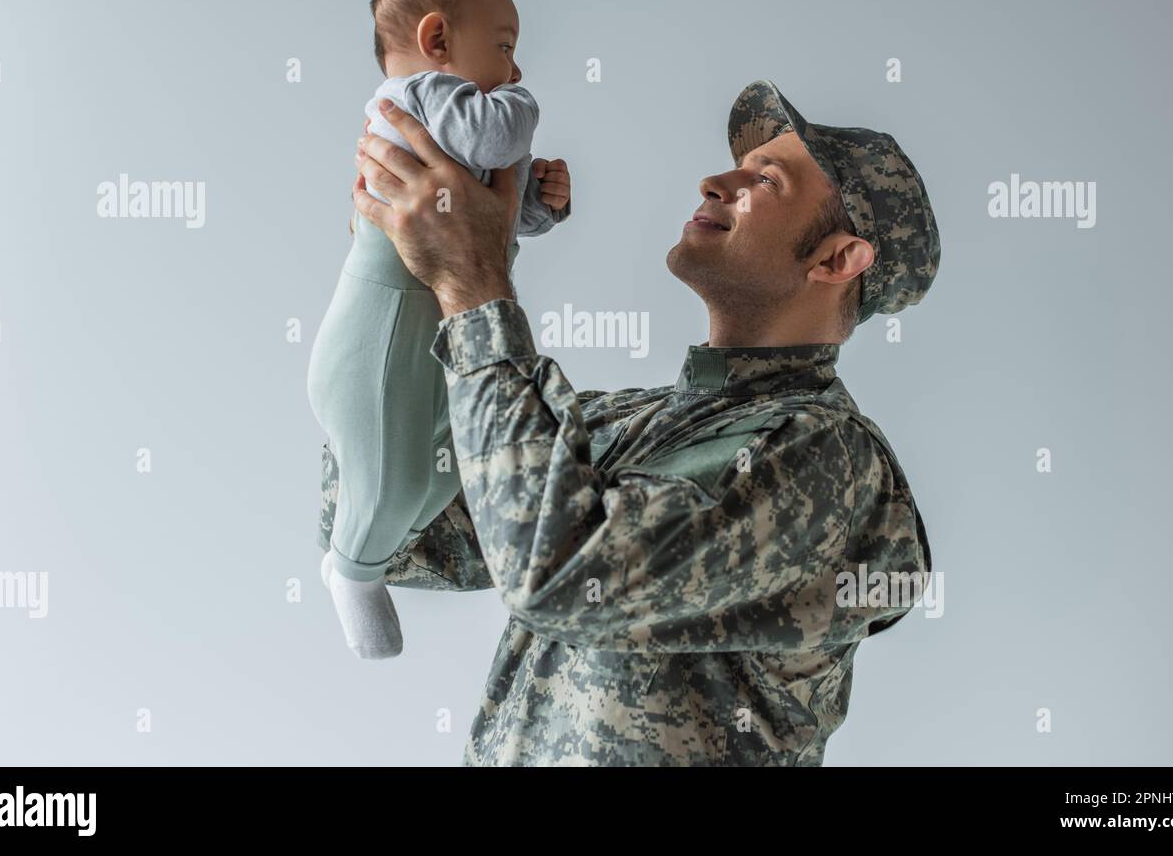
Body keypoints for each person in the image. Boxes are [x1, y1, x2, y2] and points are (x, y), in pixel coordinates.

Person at [318, 78, 941, 765]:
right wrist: (398, 274)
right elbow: (410, 538)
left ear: (837, 258)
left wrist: (473, 281)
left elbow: (551, 573)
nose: (715, 179)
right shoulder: (619, 422)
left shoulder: (832, 460)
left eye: (766, 179)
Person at [306, 0, 571, 659]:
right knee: (395, 481)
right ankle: (355, 575)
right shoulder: (418, 97)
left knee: (430, 484)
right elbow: (499, 134)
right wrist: (523, 110)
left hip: (421, 339)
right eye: (507, 47)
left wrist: (540, 203)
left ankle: (354, 558)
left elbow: (492, 219)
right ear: (437, 42)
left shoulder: (452, 121)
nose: (515, 70)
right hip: (381, 334)